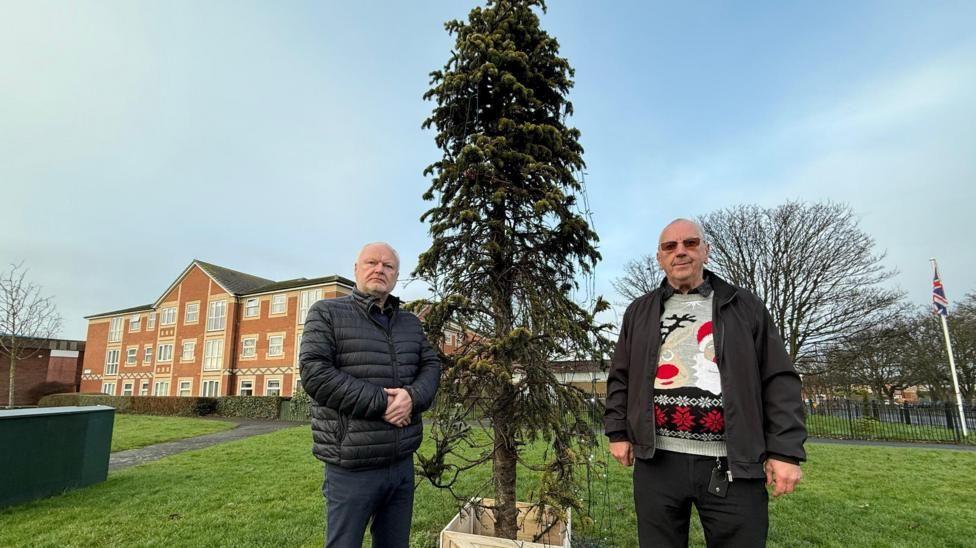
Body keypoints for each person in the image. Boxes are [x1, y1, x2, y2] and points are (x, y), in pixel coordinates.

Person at [604, 219, 806, 547]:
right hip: (657, 464)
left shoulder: (745, 307)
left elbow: (779, 379)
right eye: (670, 247)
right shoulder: (639, 312)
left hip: (734, 466)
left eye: (690, 243)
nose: (680, 252)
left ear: (706, 251)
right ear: (659, 258)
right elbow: (621, 377)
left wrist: (785, 452)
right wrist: (618, 432)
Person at [300, 242, 441, 548]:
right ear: (356, 269)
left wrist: (412, 397)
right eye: (372, 263)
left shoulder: (410, 323)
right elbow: (315, 373)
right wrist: (385, 402)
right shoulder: (327, 313)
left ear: (396, 275)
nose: (380, 269)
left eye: (388, 266)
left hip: (401, 464)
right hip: (351, 465)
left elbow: (431, 365)